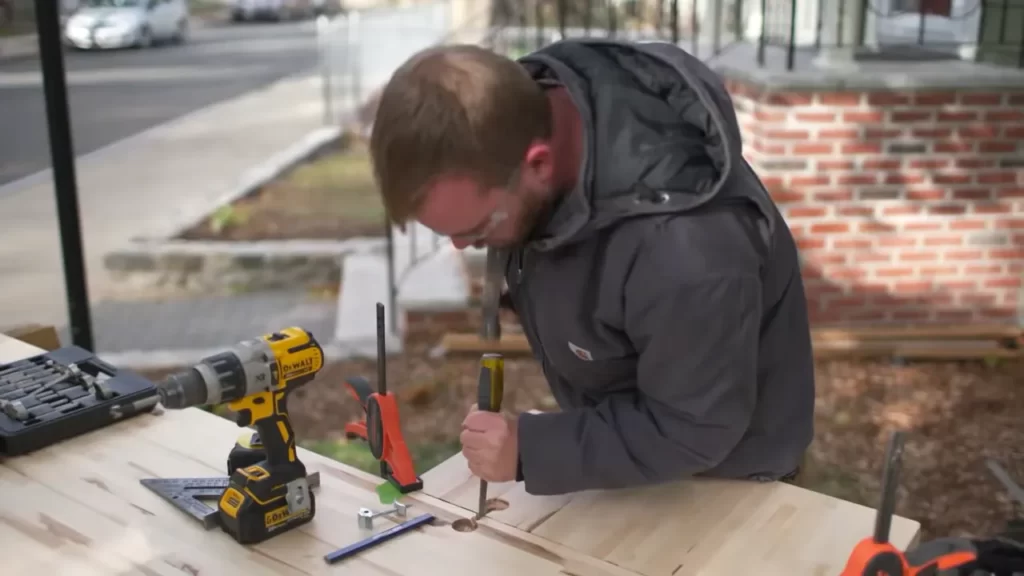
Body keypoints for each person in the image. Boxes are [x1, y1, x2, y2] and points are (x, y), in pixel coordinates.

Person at [368, 39, 816, 496]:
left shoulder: (686, 248)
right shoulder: (521, 114)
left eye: (478, 228)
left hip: (728, 480)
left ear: (538, 164)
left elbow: (695, 425)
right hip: (649, 454)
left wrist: (531, 450)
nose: (462, 246)